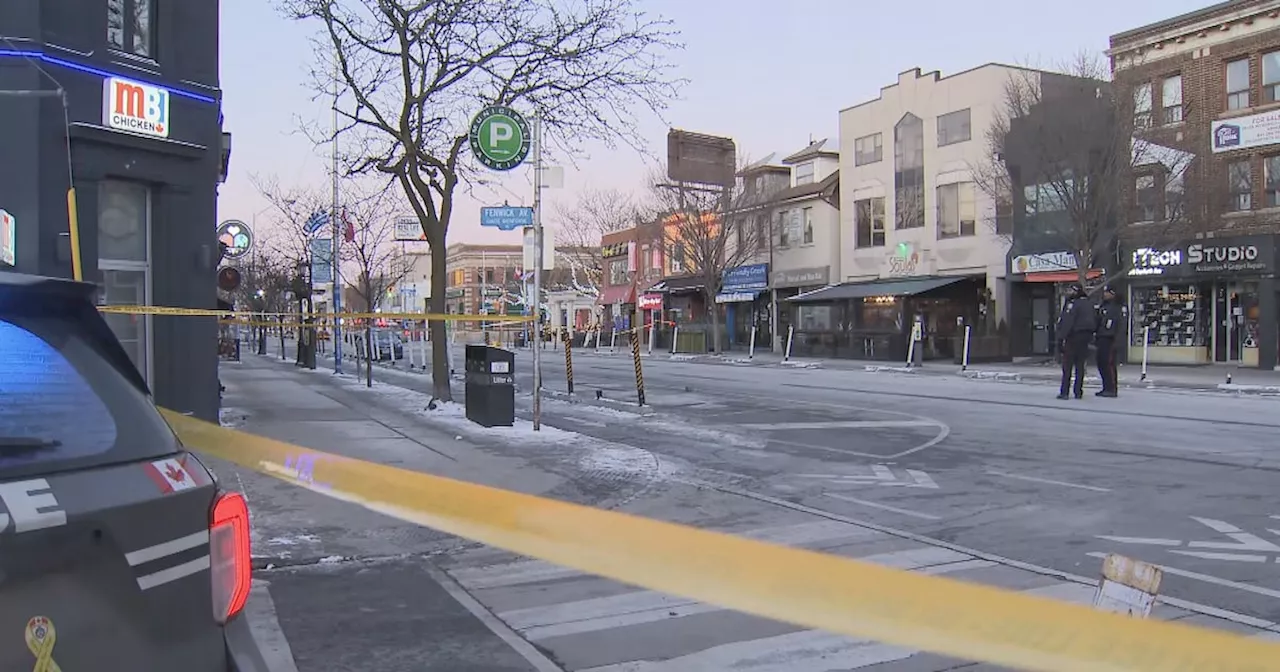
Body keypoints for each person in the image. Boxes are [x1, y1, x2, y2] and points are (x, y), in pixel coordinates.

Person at [1055, 283, 1097, 400]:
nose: (1068, 292)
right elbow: (1095, 320)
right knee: (1080, 366)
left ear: (1075, 291)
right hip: (1085, 338)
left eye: (1070, 290)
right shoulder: (1089, 303)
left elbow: (1067, 322)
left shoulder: (1072, 304)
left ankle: (1065, 392)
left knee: (1067, 366)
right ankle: (1078, 391)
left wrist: (1061, 338)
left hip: (1073, 338)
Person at [1094, 285, 1126, 397]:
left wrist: (1117, 340)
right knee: (1101, 363)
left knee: (1109, 364)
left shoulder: (1118, 307)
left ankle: (1111, 388)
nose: (1105, 294)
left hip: (1111, 338)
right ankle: (1106, 386)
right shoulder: (1103, 305)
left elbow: (1120, 325)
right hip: (1102, 337)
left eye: (1107, 292)